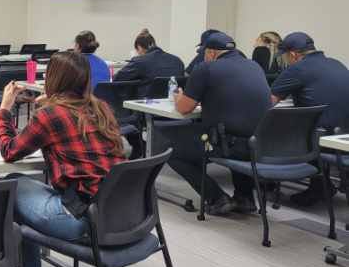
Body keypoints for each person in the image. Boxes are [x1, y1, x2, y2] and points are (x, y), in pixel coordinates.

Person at [0, 52, 125, 267]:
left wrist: (5, 110)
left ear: (53, 80)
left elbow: (10, 151)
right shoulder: (101, 108)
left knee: (13, 185)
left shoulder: (51, 115)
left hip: (77, 218)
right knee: (25, 197)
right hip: (111, 214)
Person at [165, 32, 271, 216]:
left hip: (227, 143)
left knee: (173, 152)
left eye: (204, 52)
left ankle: (216, 197)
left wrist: (178, 97)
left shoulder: (206, 69)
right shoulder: (254, 66)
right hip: (258, 142)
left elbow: (184, 108)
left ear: (211, 53)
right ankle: (244, 198)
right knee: (236, 135)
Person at [270, 32, 349, 206]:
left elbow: (268, 101)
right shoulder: (336, 63)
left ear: (293, 55)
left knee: (273, 127)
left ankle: (267, 183)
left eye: (284, 56)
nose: (285, 61)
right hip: (343, 133)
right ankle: (322, 184)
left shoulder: (297, 69)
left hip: (319, 134)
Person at [113, 31, 185, 93]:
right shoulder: (177, 61)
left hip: (145, 104)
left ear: (139, 47)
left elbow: (118, 78)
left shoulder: (140, 61)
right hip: (172, 104)